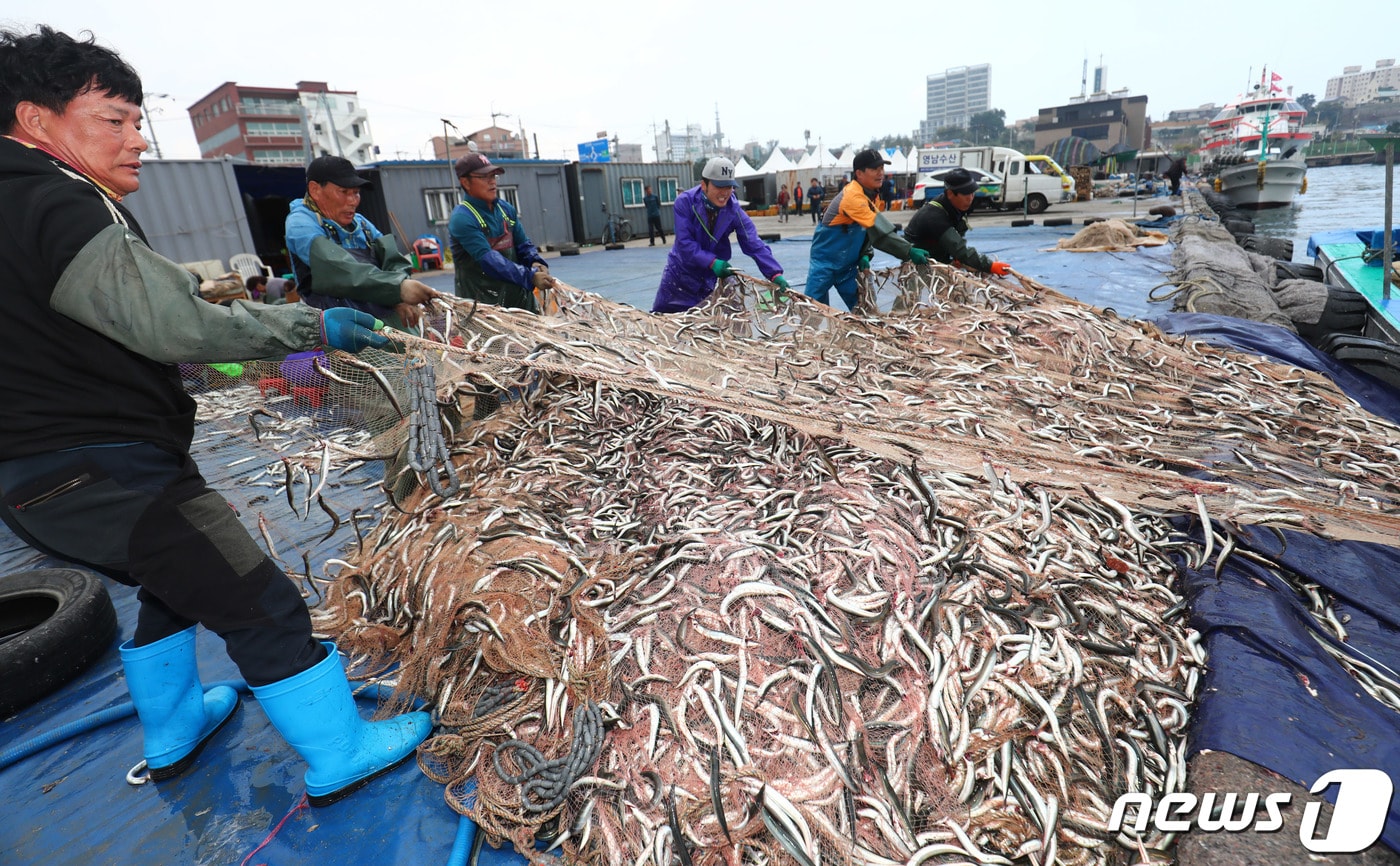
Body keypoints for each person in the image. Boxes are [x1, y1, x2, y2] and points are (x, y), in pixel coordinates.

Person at [0, 25, 429, 805]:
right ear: (36, 121)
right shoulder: (54, 204)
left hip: (34, 484)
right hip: (105, 468)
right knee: (252, 593)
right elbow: (175, 325)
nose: (136, 139)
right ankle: (342, 750)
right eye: (114, 120)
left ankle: (174, 728)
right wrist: (308, 327)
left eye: (138, 120)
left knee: (168, 583)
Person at [285, 155, 437, 331]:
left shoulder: (362, 223)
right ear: (315, 189)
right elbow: (338, 269)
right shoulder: (301, 224)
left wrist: (400, 297)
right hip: (340, 331)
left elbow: (393, 260)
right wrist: (398, 288)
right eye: (343, 192)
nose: (352, 201)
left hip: (384, 323)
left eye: (356, 193)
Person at [651, 157, 788, 313]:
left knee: (722, 323)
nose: (725, 193)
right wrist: (711, 262)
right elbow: (685, 243)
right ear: (704, 185)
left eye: (729, 187)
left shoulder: (733, 209)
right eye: (719, 186)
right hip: (680, 275)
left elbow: (753, 243)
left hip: (710, 278)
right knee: (665, 321)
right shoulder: (685, 202)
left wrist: (775, 273)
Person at [805, 149, 930, 310]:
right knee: (811, 311)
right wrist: (909, 251)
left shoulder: (872, 196)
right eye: (874, 169)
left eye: (882, 169)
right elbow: (879, 232)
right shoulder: (852, 197)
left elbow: (866, 231)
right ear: (859, 173)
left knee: (866, 311)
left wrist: (865, 253)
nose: (880, 173)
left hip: (849, 267)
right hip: (824, 265)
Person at [448, 152, 553, 312]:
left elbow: (523, 244)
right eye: (484, 177)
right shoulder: (462, 218)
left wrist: (535, 262)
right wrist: (530, 277)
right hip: (483, 309)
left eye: (493, 176)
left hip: (519, 303)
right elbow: (489, 261)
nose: (492, 182)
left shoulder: (505, 209)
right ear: (465, 182)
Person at [904, 167, 1010, 278]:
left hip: (939, 263)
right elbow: (959, 249)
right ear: (950, 194)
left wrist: (956, 258)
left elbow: (957, 242)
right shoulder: (934, 216)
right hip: (918, 268)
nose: (970, 198)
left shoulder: (955, 209)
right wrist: (990, 266)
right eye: (966, 194)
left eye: (972, 193)